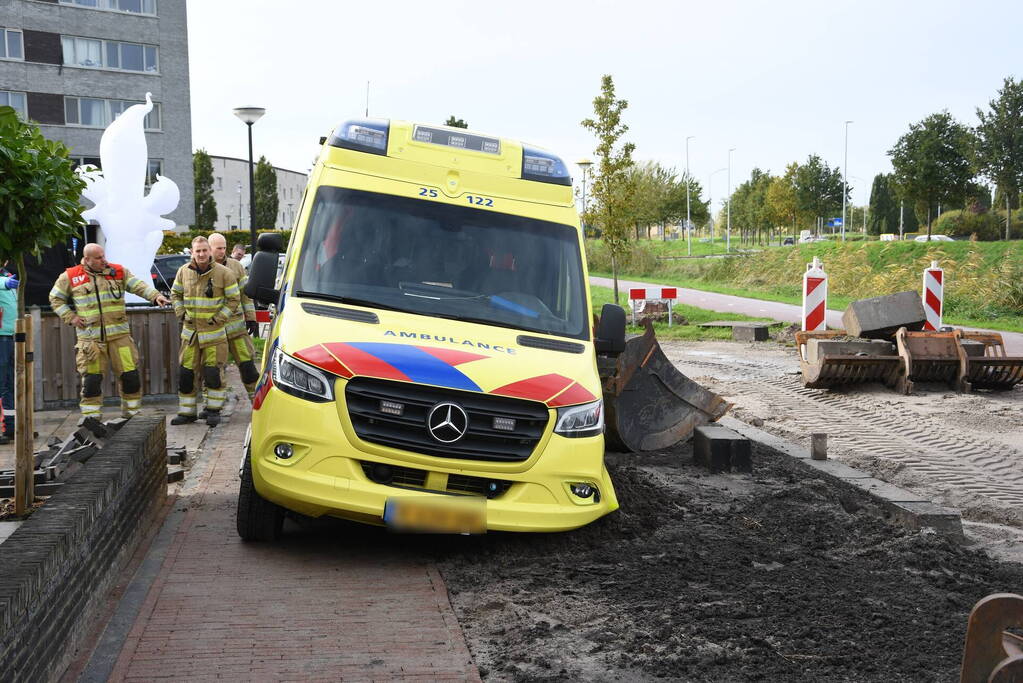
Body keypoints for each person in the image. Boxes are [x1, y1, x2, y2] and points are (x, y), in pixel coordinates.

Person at [49, 243, 171, 421]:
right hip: (90, 342)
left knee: (131, 378)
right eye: (98, 258)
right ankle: (91, 422)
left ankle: (132, 417)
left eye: (103, 256)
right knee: (91, 383)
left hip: (120, 339)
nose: (103, 260)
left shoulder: (118, 271)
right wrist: (71, 317)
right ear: (87, 259)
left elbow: (139, 286)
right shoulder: (71, 276)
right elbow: (55, 299)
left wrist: (155, 296)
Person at [170, 236, 240, 427]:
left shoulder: (224, 273)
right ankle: (187, 413)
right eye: (197, 251)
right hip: (190, 336)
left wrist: (220, 318)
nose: (201, 254)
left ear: (210, 251)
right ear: (192, 252)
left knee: (213, 374)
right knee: (186, 374)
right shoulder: (183, 272)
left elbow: (234, 299)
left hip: (214, 336)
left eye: (204, 250)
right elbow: (175, 294)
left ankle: (214, 411)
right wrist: (181, 312)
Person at [209, 233, 259, 399]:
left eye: (224, 248)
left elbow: (245, 294)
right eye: (218, 248)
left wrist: (251, 316)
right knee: (213, 370)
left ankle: (257, 402)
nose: (222, 251)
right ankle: (213, 407)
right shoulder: (203, 268)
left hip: (237, 329)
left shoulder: (236, 266)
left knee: (248, 367)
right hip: (213, 329)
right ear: (210, 249)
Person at [0, 262, 18, 444]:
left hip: (11, 335)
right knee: (3, 383)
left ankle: (13, 426)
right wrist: (4, 283)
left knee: (12, 383)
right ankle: (6, 427)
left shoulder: (7, 274)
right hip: (2, 337)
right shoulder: (5, 279)